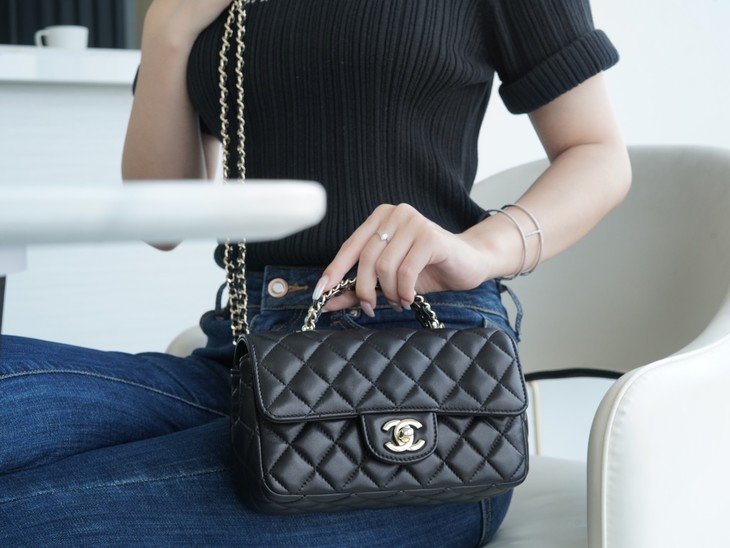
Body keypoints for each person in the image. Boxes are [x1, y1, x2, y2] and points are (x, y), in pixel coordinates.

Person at [0, 0, 631, 545]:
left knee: (21, 517)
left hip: (419, 393)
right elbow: (159, 217)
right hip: (240, 357)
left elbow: (597, 153)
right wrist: (168, 28)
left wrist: (483, 249)